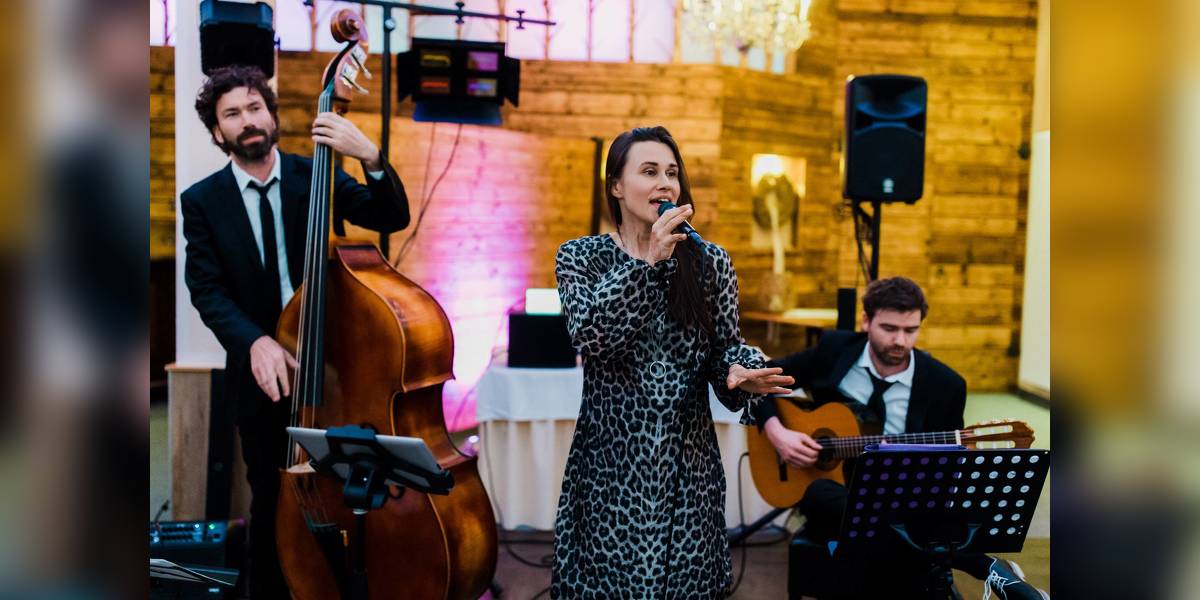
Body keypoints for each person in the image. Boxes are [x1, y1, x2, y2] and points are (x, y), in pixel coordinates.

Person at [181, 65, 411, 598]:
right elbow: (207, 290)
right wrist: (255, 341)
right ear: (217, 132)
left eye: (254, 107)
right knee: (272, 494)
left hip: (336, 372)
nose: (247, 120)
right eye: (232, 114)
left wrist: (370, 156)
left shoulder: (317, 175)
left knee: (356, 491)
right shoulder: (202, 201)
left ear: (272, 115)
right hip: (264, 378)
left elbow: (391, 216)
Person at [551, 126, 794, 598]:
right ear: (616, 186)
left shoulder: (710, 262)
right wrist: (648, 264)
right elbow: (593, 337)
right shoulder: (581, 257)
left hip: (689, 466)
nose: (665, 184)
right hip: (610, 466)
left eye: (672, 173)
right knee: (606, 584)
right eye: (649, 171)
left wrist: (738, 371)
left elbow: (725, 347)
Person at [754, 276, 1048, 599]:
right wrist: (778, 433)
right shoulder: (834, 350)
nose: (900, 341)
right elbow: (761, 380)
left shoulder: (945, 386)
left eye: (911, 330)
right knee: (820, 495)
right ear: (866, 321)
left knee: (901, 515)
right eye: (889, 328)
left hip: (899, 495)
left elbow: (946, 472)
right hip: (835, 490)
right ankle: (983, 566)